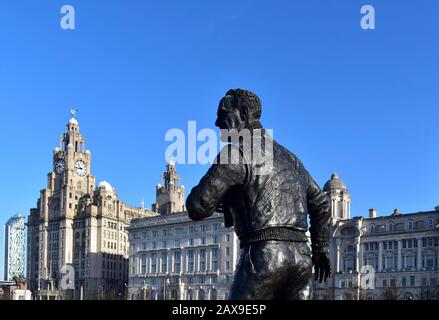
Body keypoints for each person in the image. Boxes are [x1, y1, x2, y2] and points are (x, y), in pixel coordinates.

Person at [186, 89, 331, 299]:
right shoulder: (291, 159)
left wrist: (218, 196)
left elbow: (197, 206)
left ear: (243, 113)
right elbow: (322, 203)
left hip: (263, 257)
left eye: (223, 114)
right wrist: (320, 249)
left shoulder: (236, 153)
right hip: (301, 260)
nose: (217, 123)